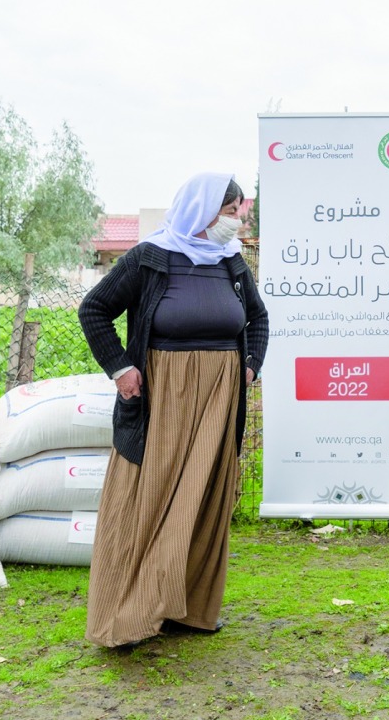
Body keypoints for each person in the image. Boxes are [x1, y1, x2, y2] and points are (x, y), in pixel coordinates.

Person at [79, 172, 269, 648]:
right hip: (163, 395)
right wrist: (121, 369)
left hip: (219, 397)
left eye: (238, 213)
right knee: (151, 495)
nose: (236, 223)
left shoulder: (231, 263)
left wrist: (249, 366)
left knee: (204, 495)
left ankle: (188, 608)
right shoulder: (150, 257)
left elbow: (259, 319)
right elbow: (94, 309)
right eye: (231, 213)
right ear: (203, 211)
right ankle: (128, 614)